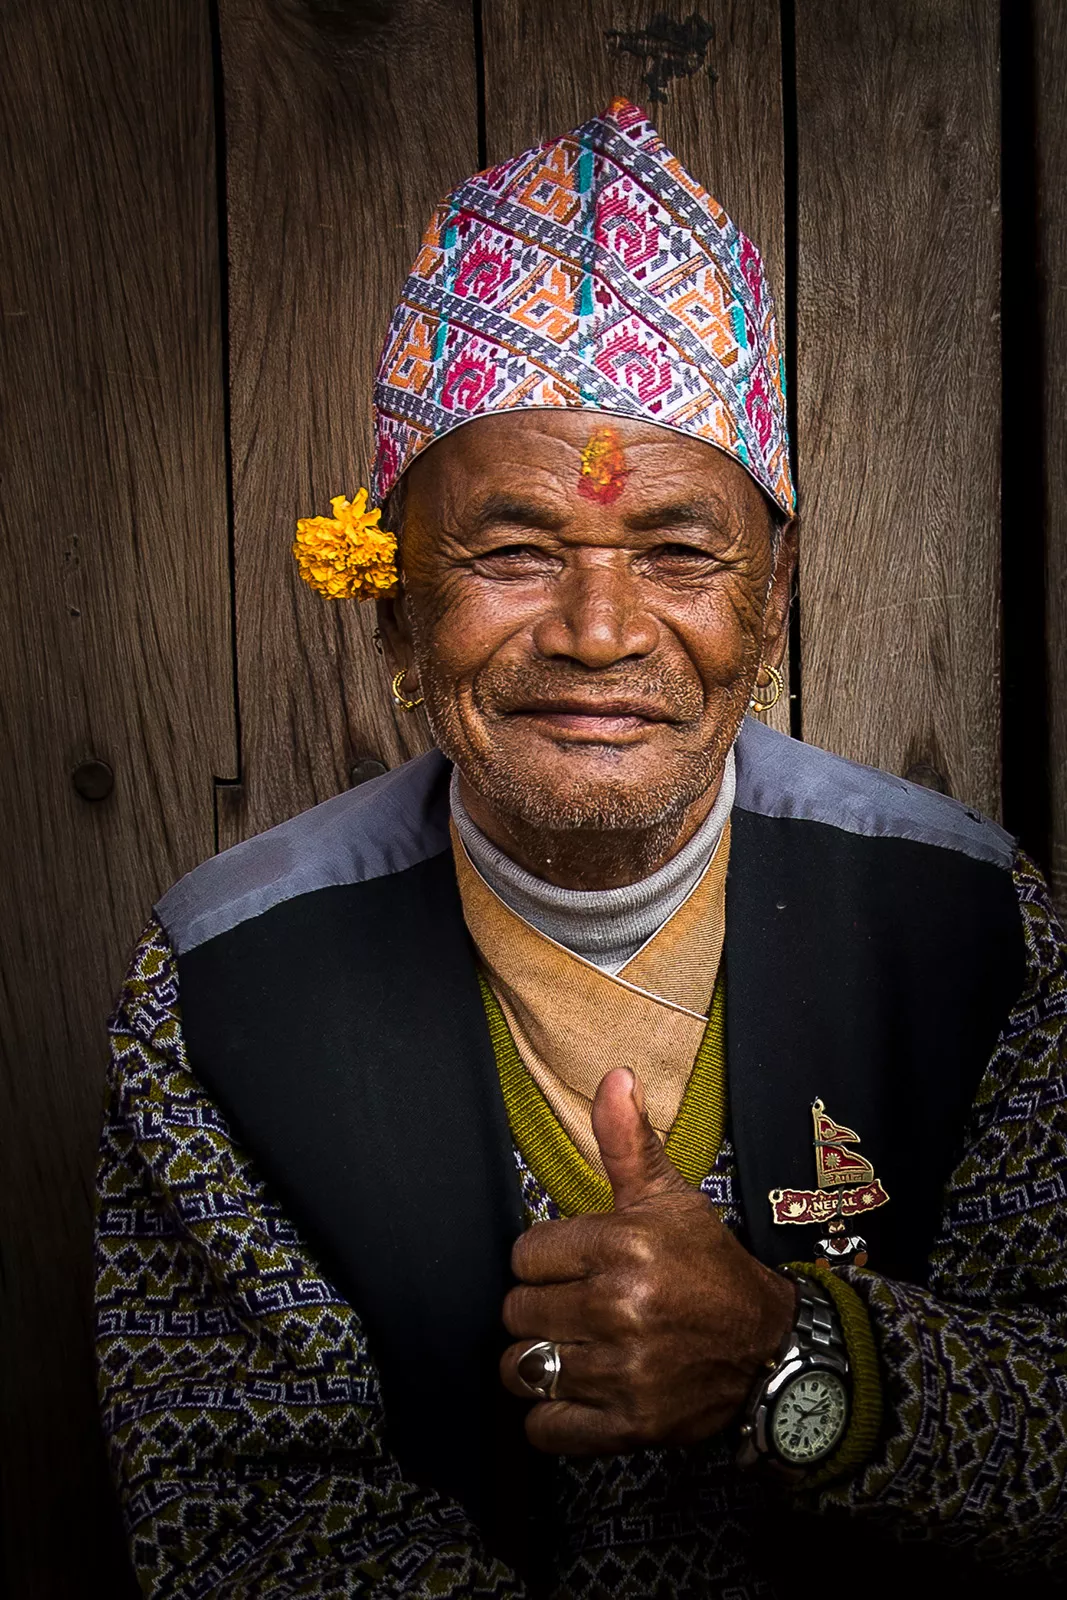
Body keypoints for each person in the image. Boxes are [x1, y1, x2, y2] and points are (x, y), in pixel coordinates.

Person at [95, 100, 1066, 1597]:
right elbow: (242, 1513)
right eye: (512, 551)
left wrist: (793, 1355)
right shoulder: (222, 991)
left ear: (770, 597)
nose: (600, 633)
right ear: (394, 605)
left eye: (679, 551)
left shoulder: (972, 928)